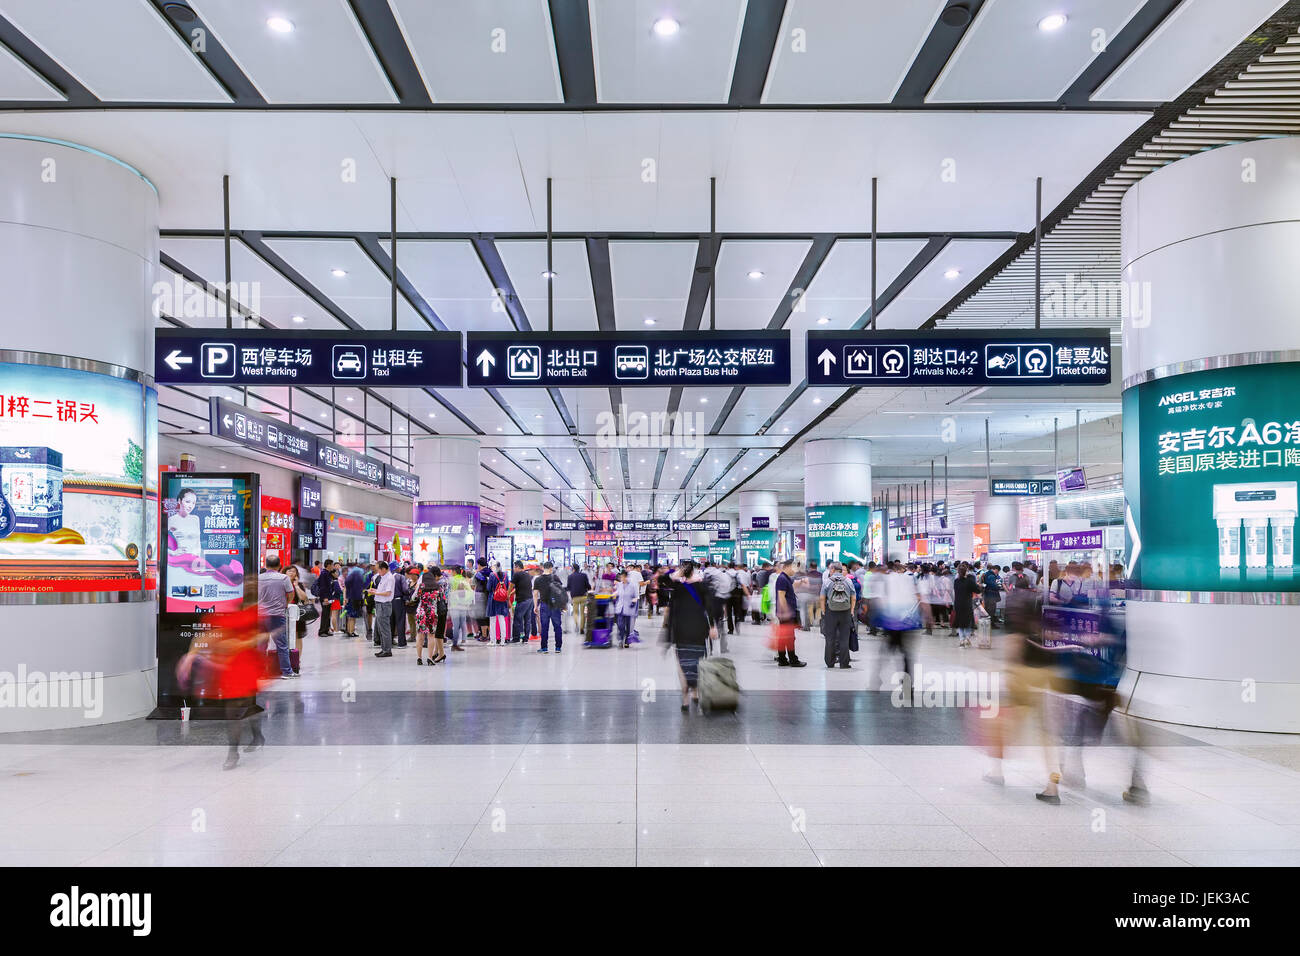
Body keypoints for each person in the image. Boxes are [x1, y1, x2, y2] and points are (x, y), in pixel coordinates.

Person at [661, 561, 714, 712]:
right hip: (698, 630)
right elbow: (710, 606)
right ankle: (694, 692)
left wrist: (674, 575)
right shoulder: (701, 585)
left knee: (683, 664)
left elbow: (661, 581)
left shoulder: (679, 587)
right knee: (697, 662)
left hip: (682, 631)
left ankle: (686, 697)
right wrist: (713, 626)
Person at [258, 554, 296, 679]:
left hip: (260, 616)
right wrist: (285, 604)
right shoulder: (284, 578)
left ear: (266, 565)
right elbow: (290, 594)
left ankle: (261, 673)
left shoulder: (258, 578)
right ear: (280, 566)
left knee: (261, 646)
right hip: (277, 615)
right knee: (282, 645)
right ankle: (286, 672)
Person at [820, 561, 855, 669]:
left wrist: (823, 611)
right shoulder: (848, 581)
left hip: (831, 611)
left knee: (830, 637)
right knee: (844, 638)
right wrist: (852, 610)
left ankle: (830, 662)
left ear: (833, 570)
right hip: (845, 611)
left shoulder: (827, 582)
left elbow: (822, 598)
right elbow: (853, 597)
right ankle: (844, 663)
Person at [771, 558, 805, 667]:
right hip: (785, 614)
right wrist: (786, 612)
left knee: (784, 637)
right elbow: (781, 596)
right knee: (789, 638)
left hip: (785, 613)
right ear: (787, 566)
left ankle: (782, 659)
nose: (795, 570)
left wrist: (801, 581)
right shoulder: (782, 579)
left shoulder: (786, 578)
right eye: (794, 568)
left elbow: (793, 585)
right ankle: (793, 660)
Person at [413, 567, 447, 666]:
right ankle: (429, 658)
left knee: (420, 636)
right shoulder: (438, 587)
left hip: (421, 613)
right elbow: (442, 599)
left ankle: (419, 658)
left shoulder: (421, 586)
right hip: (432, 613)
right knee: (431, 636)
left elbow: (413, 597)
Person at [532, 560, 566, 654]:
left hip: (544, 605)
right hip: (555, 605)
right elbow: (561, 592)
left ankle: (544, 648)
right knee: (557, 626)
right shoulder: (555, 577)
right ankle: (558, 647)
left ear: (543, 568)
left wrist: (535, 606)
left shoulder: (538, 579)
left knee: (544, 627)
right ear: (551, 568)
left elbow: (535, 594)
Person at [366, 560, 396, 658]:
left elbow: (388, 593)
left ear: (383, 569)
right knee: (381, 628)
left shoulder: (389, 578)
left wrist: (375, 593)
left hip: (384, 605)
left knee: (385, 629)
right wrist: (374, 590)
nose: (377, 571)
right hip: (379, 604)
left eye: (378, 569)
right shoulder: (383, 577)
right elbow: (382, 591)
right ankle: (384, 648)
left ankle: (387, 650)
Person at [286, 565, 311, 676]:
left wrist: (296, 586)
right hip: (284, 613)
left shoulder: (298, 585)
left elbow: (304, 598)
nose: (291, 573)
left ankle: (297, 661)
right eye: (289, 571)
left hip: (296, 614)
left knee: (297, 638)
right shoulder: (281, 583)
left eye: (294, 571)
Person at [953, 563, 982, 647]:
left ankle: (961, 640)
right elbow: (977, 590)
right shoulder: (969, 581)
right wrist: (978, 585)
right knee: (968, 621)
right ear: (966, 571)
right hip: (967, 603)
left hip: (958, 603)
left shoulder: (956, 581)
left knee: (960, 621)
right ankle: (967, 639)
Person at [612, 569, 639, 648]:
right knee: (620, 625)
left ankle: (627, 641)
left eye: (623, 577)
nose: (622, 579)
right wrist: (612, 595)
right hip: (620, 608)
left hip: (629, 608)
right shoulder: (619, 585)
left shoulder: (632, 585)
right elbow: (617, 592)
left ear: (626, 577)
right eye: (621, 577)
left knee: (628, 626)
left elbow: (636, 596)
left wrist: (633, 602)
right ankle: (620, 639)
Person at [486, 561, 511, 644]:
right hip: (502, 599)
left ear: (494, 566)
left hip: (493, 598)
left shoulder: (492, 575)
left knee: (492, 620)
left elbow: (489, 588)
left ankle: (493, 641)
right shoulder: (505, 575)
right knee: (502, 619)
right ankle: (503, 641)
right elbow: (507, 586)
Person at [448, 565, 472, 651]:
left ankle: (455, 644)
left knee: (455, 626)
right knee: (462, 623)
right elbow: (470, 592)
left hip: (454, 606)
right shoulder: (464, 580)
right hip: (463, 606)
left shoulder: (451, 580)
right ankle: (462, 640)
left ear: (454, 571)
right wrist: (466, 602)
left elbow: (448, 593)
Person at [509, 560, 533, 645]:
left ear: (517, 567)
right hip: (530, 600)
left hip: (522, 600)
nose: (513, 569)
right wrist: (512, 593)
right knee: (527, 620)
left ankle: (516, 638)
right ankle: (525, 638)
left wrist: (507, 594)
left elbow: (511, 585)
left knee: (517, 619)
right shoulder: (527, 575)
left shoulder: (517, 574)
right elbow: (520, 587)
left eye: (514, 567)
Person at [313, 558, 336, 636]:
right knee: (325, 614)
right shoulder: (324, 574)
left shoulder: (328, 573)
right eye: (332, 565)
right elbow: (323, 587)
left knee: (328, 613)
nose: (333, 566)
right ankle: (322, 631)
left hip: (329, 597)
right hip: (325, 597)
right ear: (329, 565)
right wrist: (325, 597)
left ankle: (326, 630)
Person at [344, 561, 366, 638]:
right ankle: (351, 631)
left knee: (350, 615)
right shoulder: (359, 573)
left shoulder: (351, 574)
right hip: (356, 598)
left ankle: (349, 630)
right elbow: (363, 585)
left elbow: (346, 584)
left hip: (350, 597)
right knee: (353, 616)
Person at [567, 562, 590, 634]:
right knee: (583, 613)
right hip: (583, 596)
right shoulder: (584, 575)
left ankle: (577, 624)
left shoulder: (570, 577)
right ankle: (582, 628)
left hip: (575, 597)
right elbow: (588, 585)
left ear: (573, 569)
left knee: (575, 612)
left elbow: (568, 587)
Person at [472, 557, 492, 641]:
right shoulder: (491, 572)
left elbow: (473, 585)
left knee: (480, 616)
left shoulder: (478, 574)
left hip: (480, 596)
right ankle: (490, 635)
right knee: (488, 616)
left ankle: (484, 635)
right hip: (490, 596)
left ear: (479, 565)